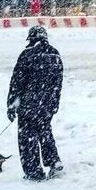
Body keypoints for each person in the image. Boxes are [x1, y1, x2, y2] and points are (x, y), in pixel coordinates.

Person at [7, 26, 64, 181]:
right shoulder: (55, 54)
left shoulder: (27, 55)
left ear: (31, 38)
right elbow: (58, 83)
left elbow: (16, 82)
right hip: (47, 105)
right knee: (45, 132)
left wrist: (12, 105)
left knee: (28, 138)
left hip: (28, 106)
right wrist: (53, 104)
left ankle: (34, 172)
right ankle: (54, 161)